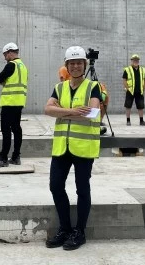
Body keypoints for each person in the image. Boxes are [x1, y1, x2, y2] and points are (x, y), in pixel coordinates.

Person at [44, 46, 101, 251]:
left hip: (83, 147)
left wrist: (61, 112)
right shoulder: (59, 88)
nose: (76, 66)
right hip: (62, 147)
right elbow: (47, 109)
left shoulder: (93, 86)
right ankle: (65, 229)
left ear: (84, 65)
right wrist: (74, 111)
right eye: (72, 63)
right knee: (55, 186)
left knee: (82, 189)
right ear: (66, 66)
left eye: (79, 63)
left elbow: (92, 113)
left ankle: (80, 232)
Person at [0, 43, 28, 168]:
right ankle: (16, 157)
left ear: (10, 52)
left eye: (5, 55)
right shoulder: (23, 66)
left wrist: (3, 81)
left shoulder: (11, 65)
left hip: (9, 102)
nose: (5, 58)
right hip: (19, 102)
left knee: (6, 130)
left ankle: (3, 158)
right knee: (16, 129)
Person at [123, 54, 145, 126]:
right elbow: (124, 80)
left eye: (137, 60)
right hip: (130, 91)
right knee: (128, 106)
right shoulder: (127, 69)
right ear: (131, 61)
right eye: (134, 60)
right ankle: (128, 121)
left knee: (140, 106)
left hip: (139, 91)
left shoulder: (142, 69)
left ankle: (141, 121)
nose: (136, 61)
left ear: (138, 61)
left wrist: (143, 88)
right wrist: (127, 88)